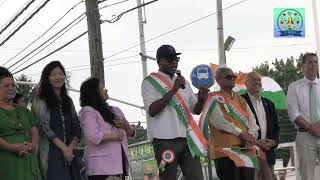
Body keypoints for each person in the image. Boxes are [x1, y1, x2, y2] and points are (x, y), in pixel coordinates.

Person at [141, 44, 209, 180]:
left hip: (187, 139)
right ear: (159, 61)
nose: (174, 62)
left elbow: (195, 109)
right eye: (170, 59)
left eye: (176, 59)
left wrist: (201, 100)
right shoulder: (150, 82)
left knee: (196, 177)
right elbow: (152, 110)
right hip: (164, 141)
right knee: (167, 177)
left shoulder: (184, 83)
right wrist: (173, 89)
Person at [203, 66, 259, 180]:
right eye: (228, 77)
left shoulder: (241, 99)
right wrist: (241, 133)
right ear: (218, 80)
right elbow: (219, 122)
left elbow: (253, 122)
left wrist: (251, 137)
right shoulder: (213, 98)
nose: (233, 78)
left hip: (246, 151)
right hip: (225, 152)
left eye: (234, 76)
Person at [32, 61, 81, 180]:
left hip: (71, 153)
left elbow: (77, 126)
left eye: (60, 74)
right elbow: (45, 128)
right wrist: (64, 149)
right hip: (51, 153)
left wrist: (70, 148)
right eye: (53, 75)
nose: (58, 77)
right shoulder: (40, 100)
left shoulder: (68, 101)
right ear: (47, 78)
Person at [79, 77, 135, 180]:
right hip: (100, 168)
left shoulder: (116, 110)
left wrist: (126, 124)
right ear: (93, 93)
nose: (106, 90)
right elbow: (93, 136)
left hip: (119, 165)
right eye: (101, 88)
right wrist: (114, 136)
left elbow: (131, 134)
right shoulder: (88, 111)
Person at [0, 67, 42, 180]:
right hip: (7, 161)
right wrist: (11, 147)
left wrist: (33, 145)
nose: (11, 88)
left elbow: (34, 131)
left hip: (28, 158)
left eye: (13, 85)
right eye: (6, 86)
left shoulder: (24, 111)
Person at [287, 52, 320, 180]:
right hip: (305, 136)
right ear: (303, 66)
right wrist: (311, 128)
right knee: (307, 176)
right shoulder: (294, 87)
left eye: (316, 62)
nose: (313, 65)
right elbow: (293, 113)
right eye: (310, 62)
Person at [241, 71, 280, 180]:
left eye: (259, 80)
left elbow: (276, 128)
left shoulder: (269, 104)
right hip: (249, 154)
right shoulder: (240, 101)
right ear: (246, 83)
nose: (257, 82)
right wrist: (256, 142)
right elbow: (238, 128)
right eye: (253, 80)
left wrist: (273, 142)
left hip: (268, 154)